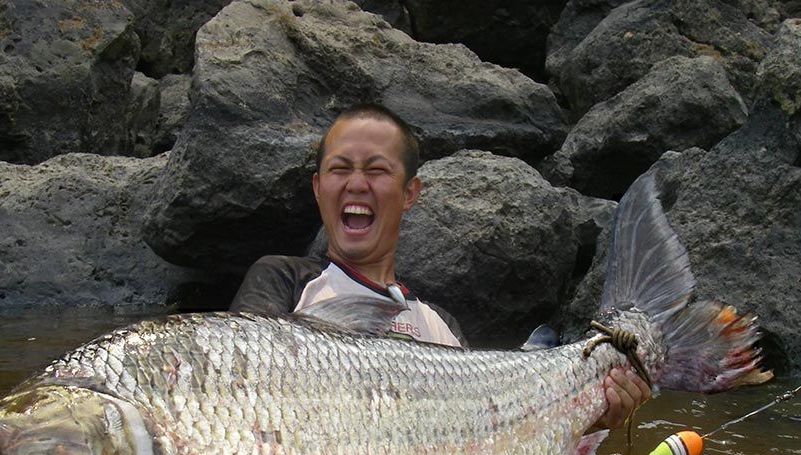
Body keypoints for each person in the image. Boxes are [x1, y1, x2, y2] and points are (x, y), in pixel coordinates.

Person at [230, 103, 650, 431]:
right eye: (339, 169)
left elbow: (494, 431)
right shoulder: (283, 281)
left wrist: (591, 416)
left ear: (409, 192)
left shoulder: (438, 324)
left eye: (376, 170)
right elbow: (243, 396)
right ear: (319, 188)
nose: (356, 183)